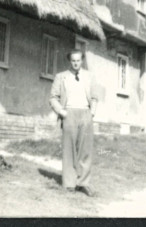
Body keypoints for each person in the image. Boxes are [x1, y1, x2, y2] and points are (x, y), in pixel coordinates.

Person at [49, 48, 98, 196]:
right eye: (73, 61)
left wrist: (92, 113)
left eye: (78, 60)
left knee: (85, 150)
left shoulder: (89, 76)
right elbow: (53, 98)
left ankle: (83, 183)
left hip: (85, 113)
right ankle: (69, 183)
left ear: (82, 61)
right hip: (69, 113)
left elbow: (95, 97)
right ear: (70, 61)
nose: (76, 63)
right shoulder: (61, 77)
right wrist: (63, 113)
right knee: (69, 149)